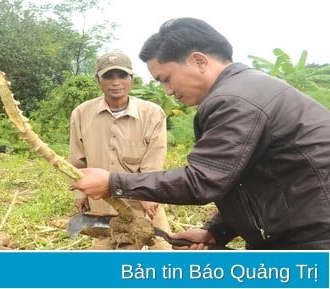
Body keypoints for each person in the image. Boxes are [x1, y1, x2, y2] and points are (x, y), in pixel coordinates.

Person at [70, 17, 330, 250]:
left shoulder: (235, 100)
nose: (168, 91)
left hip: (312, 241)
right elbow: (241, 178)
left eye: (166, 78)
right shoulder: (244, 89)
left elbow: (202, 181)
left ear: (199, 61)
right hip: (292, 233)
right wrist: (217, 230)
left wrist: (114, 183)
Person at [68, 50, 172, 250]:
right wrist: (80, 194)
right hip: (104, 204)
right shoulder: (81, 114)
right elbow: (77, 159)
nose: (116, 82)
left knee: (162, 254)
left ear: (131, 79)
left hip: (143, 202)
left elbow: (154, 159)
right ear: (98, 79)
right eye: (108, 76)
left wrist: (149, 194)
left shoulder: (152, 113)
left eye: (122, 75)